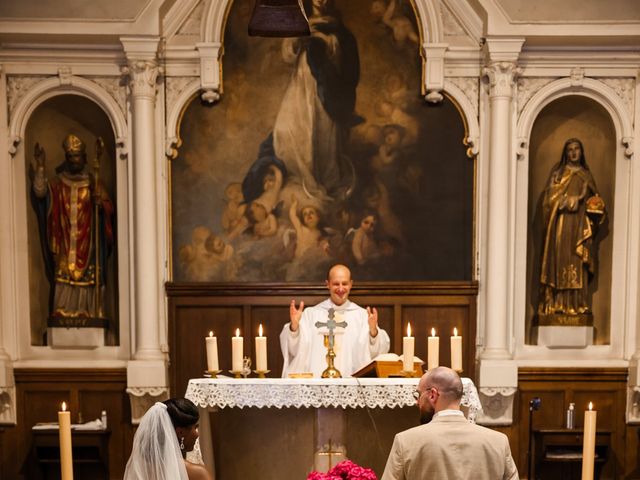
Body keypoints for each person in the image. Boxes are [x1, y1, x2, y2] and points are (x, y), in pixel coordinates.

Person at [272, 0, 361, 201]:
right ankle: (300, 177)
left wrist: (326, 42)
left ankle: (325, 183)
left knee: (324, 131)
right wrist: (299, 40)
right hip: (302, 82)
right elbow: (287, 53)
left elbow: (345, 56)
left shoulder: (336, 25)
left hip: (326, 86)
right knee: (287, 129)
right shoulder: (299, 22)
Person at [31, 134, 114, 323]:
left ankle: (89, 312)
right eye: (70, 157)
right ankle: (62, 311)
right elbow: (40, 192)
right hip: (64, 240)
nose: (74, 160)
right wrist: (41, 166)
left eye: (77, 156)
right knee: (63, 274)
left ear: (84, 158)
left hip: (88, 242)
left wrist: (101, 204)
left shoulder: (94, 183)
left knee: (89, 276)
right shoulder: (58, 183)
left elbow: (109, 208)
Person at [382, 367, 519, 480]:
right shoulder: (499, 442)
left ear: (432, 395)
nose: (417, 402)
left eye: (418, 395)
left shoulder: (405, 441)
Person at [537, 138, 605, 325]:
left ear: (582, 152)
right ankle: (557, 304)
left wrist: (594, 206)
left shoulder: (586, 176)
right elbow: (549, 201)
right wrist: (575, 199)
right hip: (562, 226)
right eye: (570, 150)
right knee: (559, 264)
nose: (573, 153)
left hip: (580, 229)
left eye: (577, 149)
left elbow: (596, 205)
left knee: (579, 265)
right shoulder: (559, 174)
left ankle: (578, 305)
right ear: (565, 153)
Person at [280, 264, 390, 377]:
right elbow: (294, 349)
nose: (341, 288)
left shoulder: (362, 316)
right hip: (317, 384)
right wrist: (294, 327)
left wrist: (373, 333)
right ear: (327, 284)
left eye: (345, 283)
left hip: (351, 383)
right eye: (336, 284)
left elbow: (378, 352)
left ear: (351, 284)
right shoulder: (311, 315)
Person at [124, 398, 212, 480]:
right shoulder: (198, 474)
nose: (197, 434)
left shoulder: (140, 470)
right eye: (195, 428)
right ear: (180, 432)